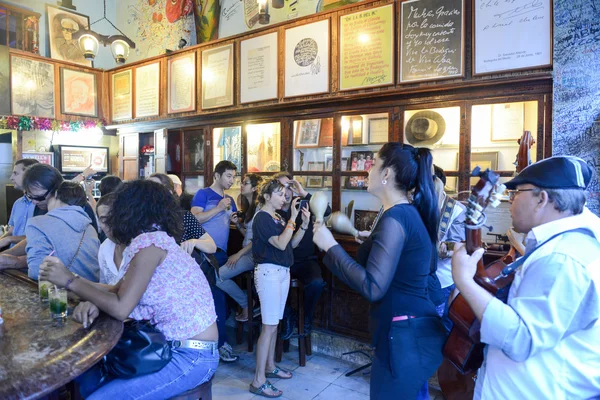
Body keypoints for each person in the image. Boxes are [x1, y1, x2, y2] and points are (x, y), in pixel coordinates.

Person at [39, 180, 219, 399]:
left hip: (189, 356)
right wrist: (76, 284)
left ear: (129, 210)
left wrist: (69, 281)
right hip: (171, 348)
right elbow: (117, 289)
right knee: (88, 378)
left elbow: (121, 307)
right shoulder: (155, 240)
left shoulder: (150, 245)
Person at [451, 156, 600, 399]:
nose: (511, 202)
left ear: (541, 199)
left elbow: (521, 338)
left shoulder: (561, 258)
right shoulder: (568, 245)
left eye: (517, 193)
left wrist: (465, 281)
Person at [312, 143, 446, 399]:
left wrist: (330, 246)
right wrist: (374, 243)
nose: (368, 170)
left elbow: (373, 287)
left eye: (373, 164)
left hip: (405, 336)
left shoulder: (396, 218)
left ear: (386, 174)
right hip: (410, 332)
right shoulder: (406, 213)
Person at [250, 178, 310, 398]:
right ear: (266, 196)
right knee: (268, 327)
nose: (284, 197)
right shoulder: (262, 218)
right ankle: (258, 380)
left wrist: (302, 224)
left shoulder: (277, 216)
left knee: (274, 325)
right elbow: (281, 243)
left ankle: (270, 366)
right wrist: (293, 218)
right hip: (268, 274)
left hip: (281, 272)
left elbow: (291, 245)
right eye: (279, 193)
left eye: (284, 193)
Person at [191, 160, 239, 362]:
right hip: (203, 254)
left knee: (221, 298)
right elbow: (195, 220)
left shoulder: (230, 199)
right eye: (228, 175)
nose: (232, 180)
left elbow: (233, 223)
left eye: (234, 176)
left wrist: (236, 220)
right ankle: (219, 345)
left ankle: (218, 341)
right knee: (215, 297)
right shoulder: (203, 194)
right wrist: (219, 208)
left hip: (223, 254)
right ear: (217, 176)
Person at [272, 171, 330, 339]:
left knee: (317, 283)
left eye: (289, 187)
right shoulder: (273, 211)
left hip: (305, 261)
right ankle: (288, 313)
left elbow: (326, 211)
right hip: (281, 262)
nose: (286, 192)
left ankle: (305, 317)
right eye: (281, 188)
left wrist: (304, 193)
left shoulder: (302, 204)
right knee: (266, 282)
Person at [25, 181, 100, 282]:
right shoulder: (90, 228)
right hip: (92, 293)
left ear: (56, 194)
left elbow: (36, 270)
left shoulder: (37, 223)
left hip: (59, 294)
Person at [217, 173, 263, 322]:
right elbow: (248, 235)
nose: (241, 185)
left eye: (246, 183)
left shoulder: (260, 208)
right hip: (246, 253)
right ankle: (247, 302)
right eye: (242, 182)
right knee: (217, 276)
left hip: (253, 255)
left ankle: (247, 303)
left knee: (218, 276)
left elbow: (257, 240)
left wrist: (238, 255)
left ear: (255, 188)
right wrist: (237, 225)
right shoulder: (250, 207)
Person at [432, 165, 466, 331]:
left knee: (440, 329)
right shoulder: (415, 204)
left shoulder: (456, 210)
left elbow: (457, 245)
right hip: (416, 278)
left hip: (442, 280)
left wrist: (445, 250)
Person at [149, 173, 216, 255]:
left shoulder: (183, 216)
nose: (149, 192)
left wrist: (194, 242)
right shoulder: (141, 218)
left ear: (168, 192)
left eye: (154, 188)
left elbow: (212, 246)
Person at [0, 158, 39, 253]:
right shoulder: (18, 203)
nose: (11, 178)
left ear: (29, 175)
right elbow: (11, 232)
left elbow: (38, 237)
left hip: (28, 259)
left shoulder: (43, 205)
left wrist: (10, 239)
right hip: (9, 256)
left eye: (15, 173)